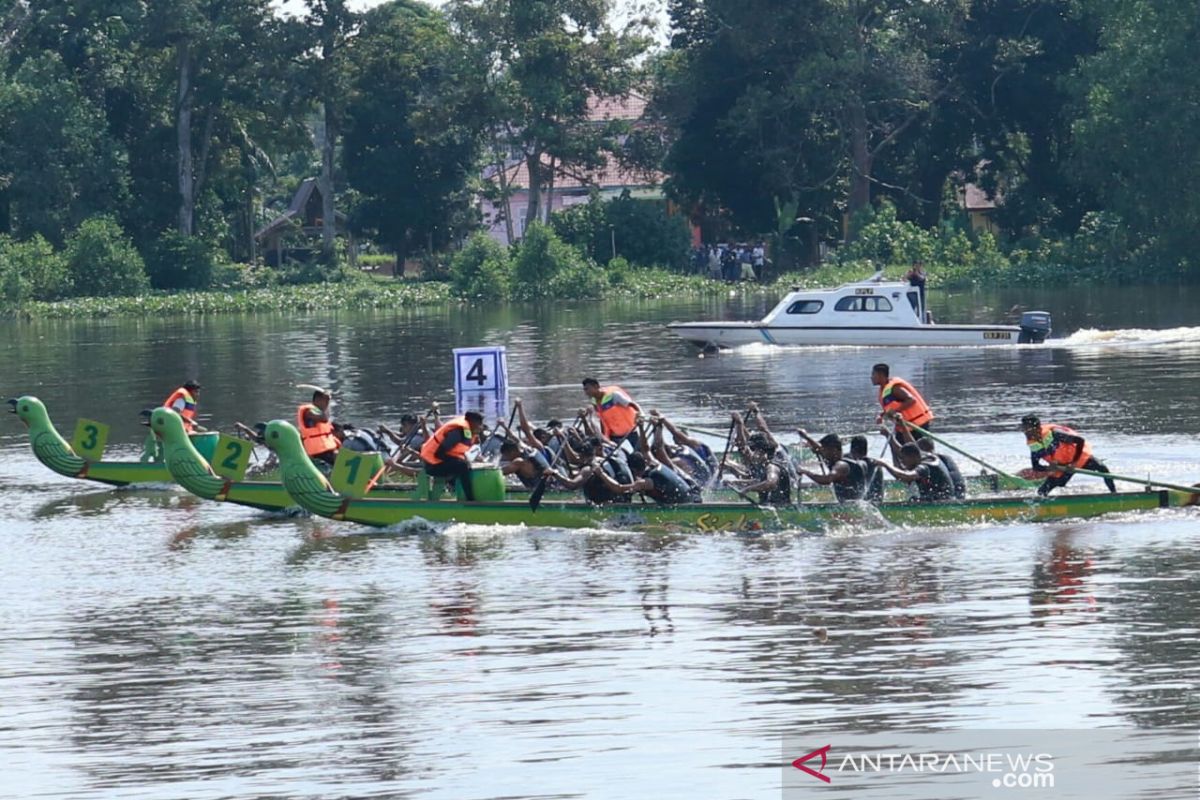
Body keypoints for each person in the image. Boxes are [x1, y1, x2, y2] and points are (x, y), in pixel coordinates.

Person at [1020, 414, 1116, 496]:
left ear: (1038, 428)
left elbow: (1080, 441)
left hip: (1078, 458)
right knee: (1042, 491)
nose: (1025, 432)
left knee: (1103, 469)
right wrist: (1050, 468)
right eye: (1024, 428)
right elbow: (1036, 467)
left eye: (1028, 429)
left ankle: (1114, 495)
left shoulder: (1055, 434)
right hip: (1063, 467)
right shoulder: (1034, 445)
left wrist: (1074, 463)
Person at [420, 411, 484, 500]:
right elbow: (439, 453)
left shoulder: (467, 431)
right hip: (432, 465)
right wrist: (460, 462)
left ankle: (454, 490)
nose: (481, 427)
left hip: (440, 462)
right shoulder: (458, 431)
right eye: (479, 424)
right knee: (462, 466)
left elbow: (458, 452)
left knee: (464, 465)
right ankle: (470, 499)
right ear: (472, 422)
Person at [596, 452, 698, 505]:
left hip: (686, 505)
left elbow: (619, 488)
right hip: (694, 498)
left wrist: (601, 474)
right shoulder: (655, 463)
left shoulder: (645, 483)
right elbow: (646, 449)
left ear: (634, 470)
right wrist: (641, 427)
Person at [796, 431, 869, 503]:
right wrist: (805, 436)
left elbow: (827, 480)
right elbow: (818, 447)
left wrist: (805, 471)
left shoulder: (841, 465)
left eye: (825, 450)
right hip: (847, 505)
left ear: (834, 450)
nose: (823, 453)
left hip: (853, 506)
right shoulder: (832, 458)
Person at [869, 442, 955, 503]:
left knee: (913, 500)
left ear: (914, 456)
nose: (902, 463)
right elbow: (904, 449)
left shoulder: (925, 467)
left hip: (943, 501)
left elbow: (906, 477)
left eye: (903, 459)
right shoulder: (925, 456)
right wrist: (890, 439)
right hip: (938, 498)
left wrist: (885, 464)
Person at [728, 431, 792, 505]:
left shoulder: (772, 467)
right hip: (768, 506)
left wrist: (748, 489)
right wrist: (735, 483)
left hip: (779, 508)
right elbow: (758, 481)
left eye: (752, 451)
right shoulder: (763, 466)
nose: (751, 454)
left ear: (761, 451)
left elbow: (770, 483)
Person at [872, 363, 935, 437]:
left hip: (917, 425)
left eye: (873, 374)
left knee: (916, 447)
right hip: (904, 427)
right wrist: (882, 415)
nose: (871, 377)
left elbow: (911, 400)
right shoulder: (884, 390)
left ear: (881, 375)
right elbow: (891, 408)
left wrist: (895, 411)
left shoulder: (895, 388)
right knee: (899, 446)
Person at [582, 378, 642, 448]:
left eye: (587, 389)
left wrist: (641, 415)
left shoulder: (614, 395)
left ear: (596, 386)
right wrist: (604, 436)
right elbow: (602, 419)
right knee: (613, 454)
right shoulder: (594, 401)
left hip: (630, 431)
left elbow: (633, 405)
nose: (586, 392)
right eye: (584, 390)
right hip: (614, 434)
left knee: (640, 452)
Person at [296, 389, 341, 465]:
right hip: (317, 451)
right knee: (338, 457)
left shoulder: (319, 412)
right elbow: (323, 419)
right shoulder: (308, 411)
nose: (327, 404)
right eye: (325, 400)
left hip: (327, 449)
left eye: (328, 401)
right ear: (317, 400)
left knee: (342, 454)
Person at [848, 434, 884, 502]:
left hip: (867, 501)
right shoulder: (875, 463)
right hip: (877, 499)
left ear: (852, 450)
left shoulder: (856, 465)